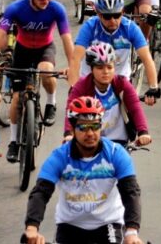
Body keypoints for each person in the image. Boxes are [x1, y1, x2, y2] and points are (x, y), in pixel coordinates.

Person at [23, 97, 143, 244]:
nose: (91, 133)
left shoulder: (116, 153)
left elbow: (131, 192)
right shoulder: (60, 156)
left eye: (95, 126)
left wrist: (132, 232)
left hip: (107, 224)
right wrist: (32, 229)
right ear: (72, 129)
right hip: (70, 225)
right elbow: (40, 193)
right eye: (83, 127)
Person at [0, 0, 74, 162]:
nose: (46, 0)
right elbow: (0, 34)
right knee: (17, 98)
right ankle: (12, 141)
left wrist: (72, 66)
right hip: (23, 51)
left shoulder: (56, 9)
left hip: (45, 48)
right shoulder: (16, 9)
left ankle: (50, 102)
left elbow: (67, 40)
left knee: (45, 69)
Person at [70, 0, 159, 101]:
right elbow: (75, 59)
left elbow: (147, 58)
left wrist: (153, 88)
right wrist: (73, 87)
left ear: (122, 12)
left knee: (131, 113)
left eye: (116, 15)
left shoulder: (130, 28)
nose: (112, 20)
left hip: (120, 79)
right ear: (98, 13)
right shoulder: (90, 27)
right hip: (91, 79)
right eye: (107, 16)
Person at [64, 43, 152, 146]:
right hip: (92, 142)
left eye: (109, 67)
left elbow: (135, 107)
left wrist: (143, 132)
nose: (106, 72)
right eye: (100, 68)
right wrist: (68, 133)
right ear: (91, 69)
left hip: (119, 143)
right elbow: (70, 110)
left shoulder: (122, 84)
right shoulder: (82, 86)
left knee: (125, 162)